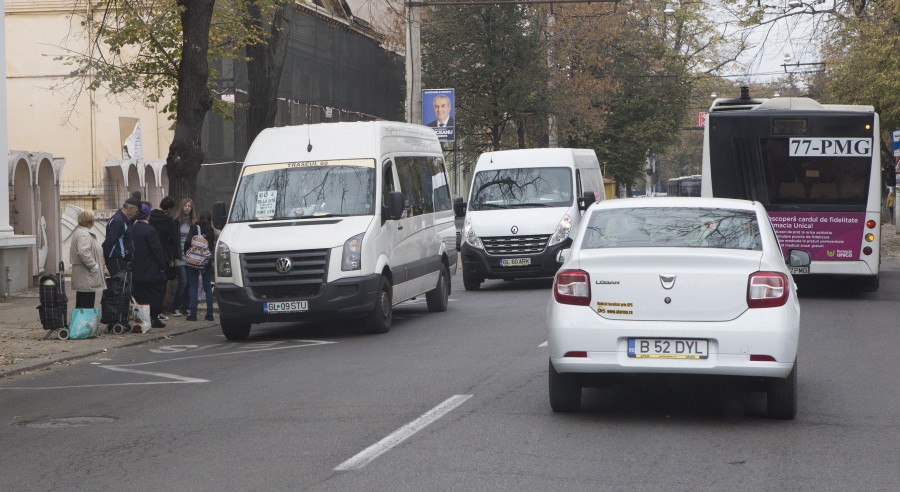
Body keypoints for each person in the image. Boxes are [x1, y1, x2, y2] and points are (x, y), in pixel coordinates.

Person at [131, 203, 167, 328]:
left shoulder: (132, 229)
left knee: (140, 295)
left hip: (136, 269)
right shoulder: (150, 230)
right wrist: (162, 265)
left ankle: (141, 318)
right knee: (155, 294)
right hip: (151, 270)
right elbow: (156, 250)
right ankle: (154, 317)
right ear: (148, 215)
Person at [149, 196, 180, 319]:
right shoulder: (168, 221)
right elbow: (173, 240)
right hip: (165, 255)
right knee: (162, 284)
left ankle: (150, 309)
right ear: (170, 208)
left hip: (151, 254)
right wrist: (174, 257)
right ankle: (158, 310)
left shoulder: (151, 217)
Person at [69, 209, 107, 309]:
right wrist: (93, 265)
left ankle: (79, 324)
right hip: (86, 275)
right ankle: (84, 324)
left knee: (82, 303)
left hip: (84, 275)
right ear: (90, 221)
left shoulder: (80, 232)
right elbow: (83, 252)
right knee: (86, 304)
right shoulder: (84, 234)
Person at [184, 212, 216, 321]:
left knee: (193, 286)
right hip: (206, 262)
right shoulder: (211, 231)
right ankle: (210, 314)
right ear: (210, 220)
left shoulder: (194, 228)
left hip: (193, 261)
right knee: (207, 287)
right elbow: (211, 246)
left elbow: (188, 242)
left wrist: (188, 254)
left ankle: (193, 314)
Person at [102, 196, 140, 277]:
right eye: (136, 212)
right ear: (131, 209)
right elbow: (109, 241)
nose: (136, 214)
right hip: (117, 260)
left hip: (120, 260)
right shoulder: (119, 221)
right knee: (120, 287)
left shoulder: (123, 219)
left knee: (123, 286)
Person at [172, 197, 195, 317]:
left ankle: (186, 307)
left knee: (190, 283)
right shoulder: (176, 222)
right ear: (182, 207)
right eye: (185, 206)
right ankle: (176, 307)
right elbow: (173, 240)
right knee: (183, 282)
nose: (187, 208)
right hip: (179, 256)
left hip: (191, 257)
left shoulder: (193, 223)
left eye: (189, 206)